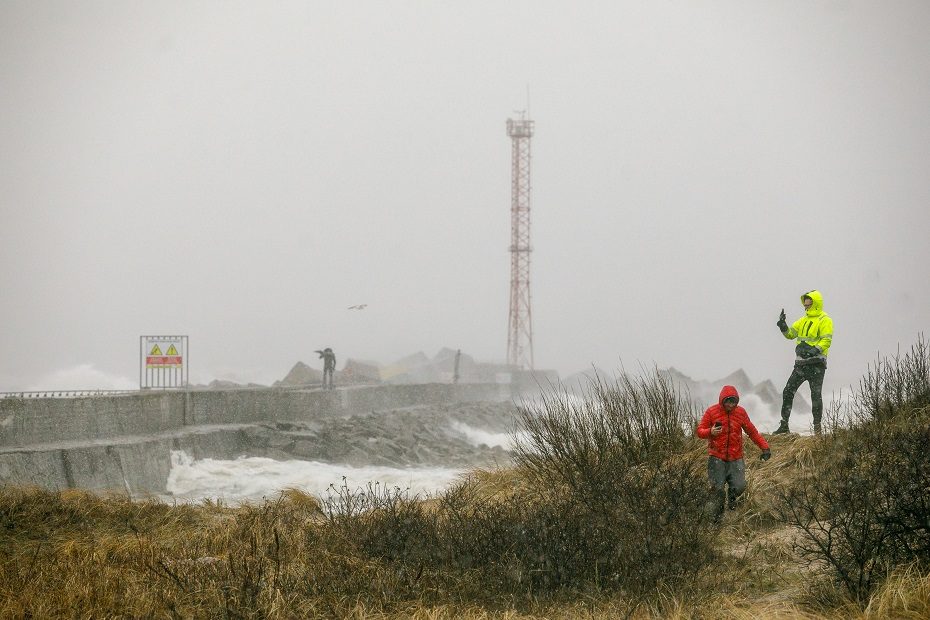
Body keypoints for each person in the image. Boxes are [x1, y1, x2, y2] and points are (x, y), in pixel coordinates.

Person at [696, 385, 771, 523]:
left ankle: (732, 505)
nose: (731, 404)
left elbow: (752, 432)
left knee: (740, 486)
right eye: (728, 401)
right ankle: (715, 521)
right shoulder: (711, 412)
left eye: (734, 401)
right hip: (716, 458)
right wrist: (710, 432)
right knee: (717, 490)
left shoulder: (741, 412)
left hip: (736, 458)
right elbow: (700, 431)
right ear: (722, 400)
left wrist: (765, 448)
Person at [774, 290, 834, 435]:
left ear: (815, 302)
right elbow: (790, 335)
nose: (806, 306)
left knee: (815, 395)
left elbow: (827, 340)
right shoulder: (802, 320)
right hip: (801, 365)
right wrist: (783, 326)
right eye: (805, 303)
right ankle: (784, 425)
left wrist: (815, 350)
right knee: (788, 391)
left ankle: (817, 430)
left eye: (808, 303)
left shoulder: (825, 320)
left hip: (817, 364)